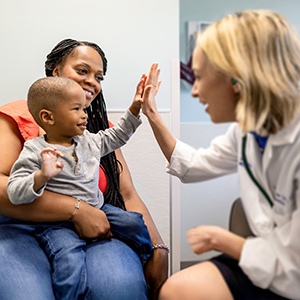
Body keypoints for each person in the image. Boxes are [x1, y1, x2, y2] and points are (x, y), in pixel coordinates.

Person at [141, 10, 300, 300]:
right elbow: (192, 166)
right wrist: (151, 114)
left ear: (239, 79)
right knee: (175, 291)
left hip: (292, 272)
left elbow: (294, 266)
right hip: (267, 259)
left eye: (199, 77)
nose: (196, 91)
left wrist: (222, 240)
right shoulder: (246, 133)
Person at [0, 38, 168, 300]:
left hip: (96, 227)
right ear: (56, 72)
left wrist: (159, 249)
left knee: (120, 288)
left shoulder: (92, 133)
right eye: (82, 71)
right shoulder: (18, 121)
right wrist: (75, 209)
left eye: (99, 76)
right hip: (20, 228)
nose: (93, 81)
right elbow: (6, 188)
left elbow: (128, 193)